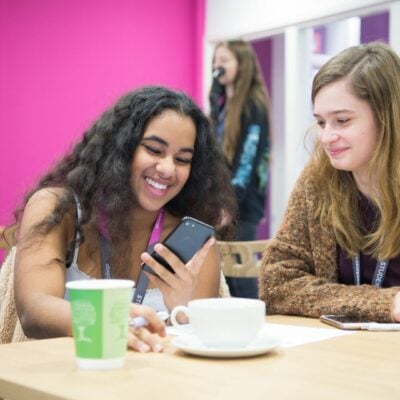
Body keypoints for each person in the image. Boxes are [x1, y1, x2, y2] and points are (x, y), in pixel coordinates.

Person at [5, 86, 236, 351]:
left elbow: (195, 348)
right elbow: (33, 312)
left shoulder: (195, 243)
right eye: (154, 150)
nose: (167, 169)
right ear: (121, 147)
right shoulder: (58, 209)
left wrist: (182, 314)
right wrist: (106, 322)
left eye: (182, 159)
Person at [260, 42, 400, 322]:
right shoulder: (317, 181)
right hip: (340, 354)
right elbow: (275, 284)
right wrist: (387, 304)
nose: (325, 138)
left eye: (343, 120)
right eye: (322, 123)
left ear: (387, 118)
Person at [210, 39, 271, 298]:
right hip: (224, 201)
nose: (217, 66)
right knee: (224, 273)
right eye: (216, 61)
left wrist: (229, 206)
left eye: (224, 60)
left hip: (242, 206)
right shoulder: (223, 105)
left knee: (240, 272)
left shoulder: (253, 105)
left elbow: (247, 162)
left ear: (242, 65)